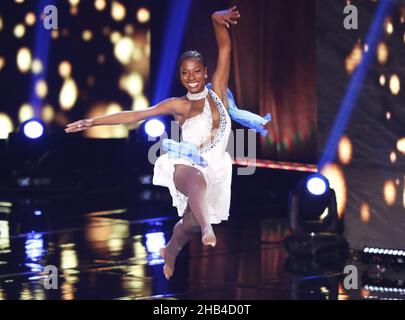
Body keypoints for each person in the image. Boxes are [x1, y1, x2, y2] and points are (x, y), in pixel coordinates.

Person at [66, 7, 266, 280]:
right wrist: (92, 122)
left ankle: (171, 250)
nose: (191, 77)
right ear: (180, 76)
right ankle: (208, 228)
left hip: (216, 167)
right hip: (184, 163)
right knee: (196, 190)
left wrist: (216, 21)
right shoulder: (178, 105)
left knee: (190, 224)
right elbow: (136, 115)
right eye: (185, 73)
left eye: (196, 71)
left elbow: (225, 49)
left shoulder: (218, 91)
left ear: (206, 73)